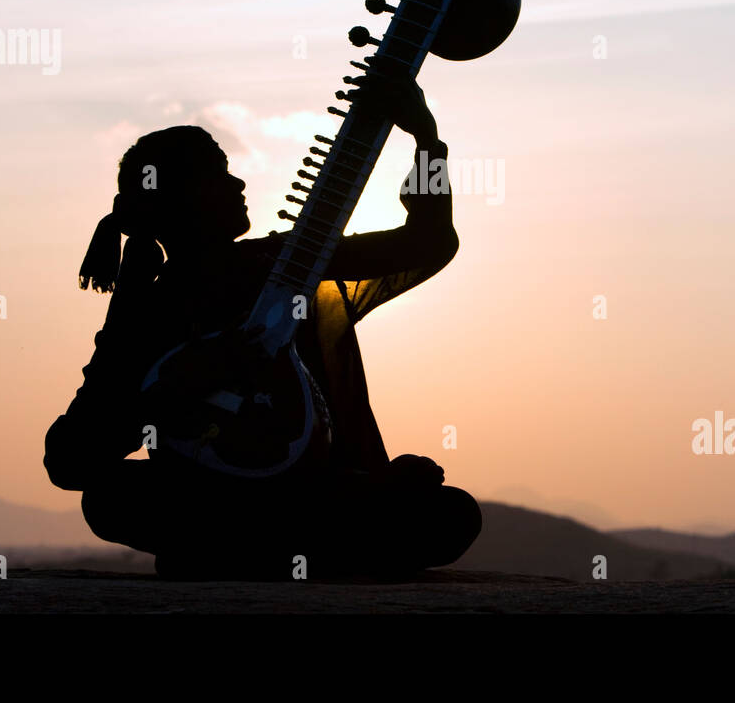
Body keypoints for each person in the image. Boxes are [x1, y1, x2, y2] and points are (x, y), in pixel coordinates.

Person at [43, 69, 481, 580]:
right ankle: (312, 549)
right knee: (107, 496)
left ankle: (239, 552)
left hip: (304, 496)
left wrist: (426, 141)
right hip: (214, 499)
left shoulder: (285, 264)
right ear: (181, 197)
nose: (239, 183)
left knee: (453, 513)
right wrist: (176, 387)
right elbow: (70, 461)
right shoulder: (147, 311)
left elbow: (428, 243)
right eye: (218, 174)